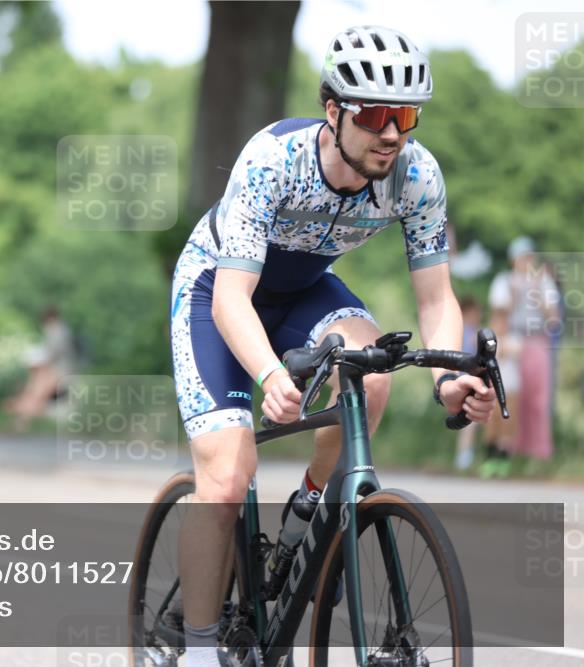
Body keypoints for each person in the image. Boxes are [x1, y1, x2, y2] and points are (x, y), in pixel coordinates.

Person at [169, 26, 496, 666]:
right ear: (332, 109)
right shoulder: (272, 160)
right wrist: (270, 376)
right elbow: (234, 298)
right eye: (374, 114)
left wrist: (446, 377)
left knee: (374, 374)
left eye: (405, 115)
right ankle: (201, 651)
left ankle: (308, 516)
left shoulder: (417, 176)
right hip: (220, 290)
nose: (393, 132)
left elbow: (435, 299)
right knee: (228, 477)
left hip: (305, 289)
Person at [483, 237, 558, 474]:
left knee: (537, 399)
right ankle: (502, 453)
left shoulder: (543, 282)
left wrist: (536, 290)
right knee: (507, 398)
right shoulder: (504, 282)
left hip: (536, 341)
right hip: (511, 342)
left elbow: (553, 318)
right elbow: (499, 315)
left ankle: (535, 454)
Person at [3, 306, 78, 431]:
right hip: (53, 372)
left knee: (35, 394)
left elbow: (53, 355)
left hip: (59, 373)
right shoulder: (58, 331)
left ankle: (20, 418)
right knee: (33, 393)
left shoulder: (58, 332)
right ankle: (19, 420)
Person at [454, 295, 482, 470]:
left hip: (461, 379)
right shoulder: (470, 332)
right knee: (470, 421)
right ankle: (464, 457)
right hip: (467, 381)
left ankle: (465, 455)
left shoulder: (457, 330)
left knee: (468, 421)